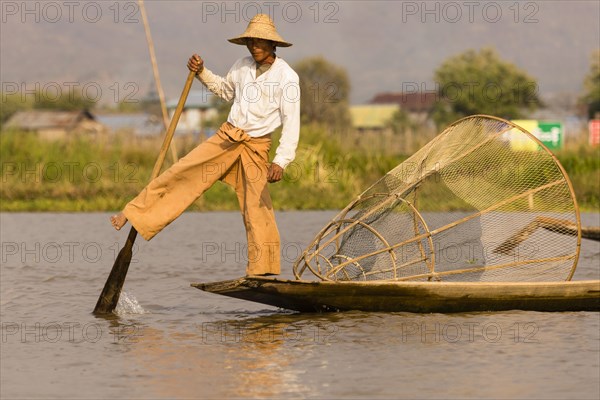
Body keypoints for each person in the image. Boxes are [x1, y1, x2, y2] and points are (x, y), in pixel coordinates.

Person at [110, 14, 300, 276]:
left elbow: (292, 122)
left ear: (272, 44)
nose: (254, 47)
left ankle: (262, 271)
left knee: (257, 208)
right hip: (226, 137)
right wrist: (201, 73)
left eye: (260, 42)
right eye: (251, 42)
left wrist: (281, 160)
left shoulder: (287, 77)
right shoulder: (242, 66)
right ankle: (134, 212)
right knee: (182, 172)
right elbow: (225, 90)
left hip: (256, 147)